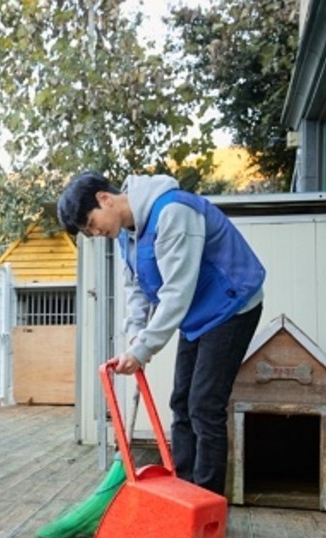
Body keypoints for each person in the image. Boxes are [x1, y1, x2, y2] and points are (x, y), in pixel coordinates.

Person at [57, 171, 265, 495]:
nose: (95, 233)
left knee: (204, 405)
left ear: (104, 198)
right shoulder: (126, 234)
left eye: (91, 224)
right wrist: (135, 335)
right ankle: (183, 494)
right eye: (88, 232)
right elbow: (136, 288)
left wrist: (143, 350)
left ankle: (207, 502)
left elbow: (176, 293)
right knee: (180, 402)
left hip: (232, 305)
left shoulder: (172, 212)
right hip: (198, 314)